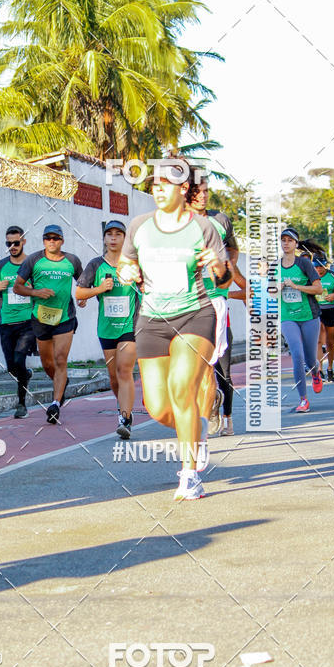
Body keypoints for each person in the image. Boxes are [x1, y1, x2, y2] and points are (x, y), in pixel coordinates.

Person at [117, 158, 230, 500]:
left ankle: (190, 474)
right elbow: (125, 261)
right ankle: (198, 431)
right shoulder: (139, 226)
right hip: (152, 320)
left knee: (182, 389)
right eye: (154, 185)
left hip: (195, 315)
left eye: (165, 184)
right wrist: (126, 272)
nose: (157, 190)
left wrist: (217, 268)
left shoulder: (203, 227)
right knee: (159, 408)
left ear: (183, 190)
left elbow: (223, 276)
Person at [185, 170, 238, 443]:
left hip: (216, 300)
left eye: (207, 191)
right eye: (199, 191)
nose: (204, 195)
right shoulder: (180, 221)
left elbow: (233, 249)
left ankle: (220, 408)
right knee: (196, 359)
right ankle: (205, 406)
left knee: (218, 361)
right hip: (188, 300)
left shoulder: (220, 220)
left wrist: (226, 270)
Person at [76, 220, 139, 439]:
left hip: (130, 325)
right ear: (104, 239)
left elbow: (149, 287)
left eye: (118, 234)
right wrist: (99, 289)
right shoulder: (96, 265)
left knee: (124, 370)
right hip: (106, 327)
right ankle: (124, 409)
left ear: (125, 238)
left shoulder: (134, 263)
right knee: (114, 377)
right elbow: (79, 293)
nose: (113, 238)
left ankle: (125, 418)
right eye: (109, 234)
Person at [14, 225, 82, 424]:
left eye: (56, 238)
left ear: (62, 241)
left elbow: (83, 283)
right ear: (43, 240)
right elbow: (17, 287)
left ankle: (55, 404)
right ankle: (61, 382)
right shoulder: (33, 260)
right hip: (41, 318)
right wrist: (37, 292)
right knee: (48, 363)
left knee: (61, 360)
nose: (52, 241)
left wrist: (84, 297)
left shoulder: (72, 261)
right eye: (48, 238)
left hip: (65, 318)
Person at [0, 226, 36, 418]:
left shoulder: (32, 264)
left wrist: (31, 288)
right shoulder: (0, 266)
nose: (12, 247)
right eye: (9, 244)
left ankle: (22, 404)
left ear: (23, 241)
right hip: (6, 321)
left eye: (16, 243)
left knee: (19, 359)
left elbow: (42, 289)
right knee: (11, 366)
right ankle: (25, 374)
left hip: (28, 322)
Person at [280, 227, 323, 412]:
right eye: (283, 240)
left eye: (290, 240)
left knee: (310, 358)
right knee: (297, 354)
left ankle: (315, 372)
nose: (286, 243)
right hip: (288, 317)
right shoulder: (275, 265)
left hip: (309, 316)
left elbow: (319, 289)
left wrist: (297, 286)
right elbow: (269, 293)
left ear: (296, 244)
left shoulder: (304, 264)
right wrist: (277, 288)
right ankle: (303, 400)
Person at [312, 255, 334, 382]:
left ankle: (330, 368)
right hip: (316, 310)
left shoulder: (333, 275)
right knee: (318, 340)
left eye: (320, 266)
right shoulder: (310, 275)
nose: (318, 269)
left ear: (325, 265)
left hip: (330, 310)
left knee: (330, 341)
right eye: (315, 267)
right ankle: (320, 369)